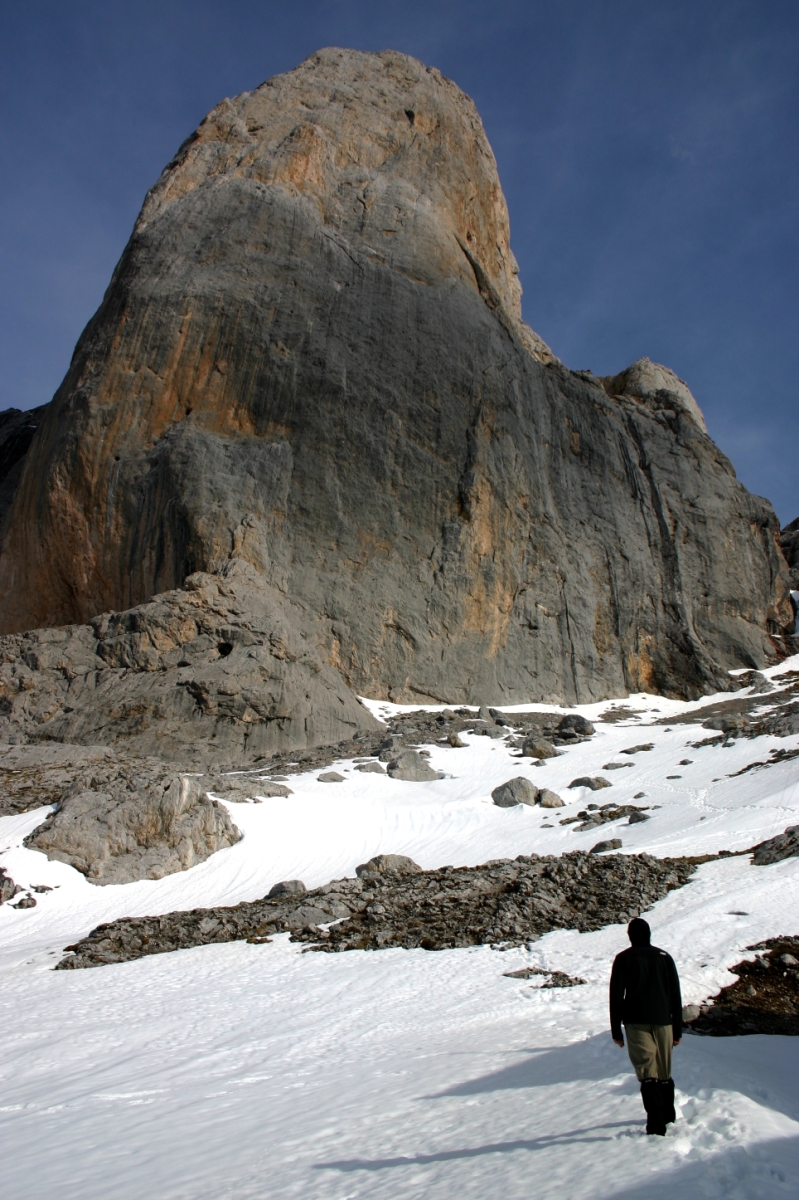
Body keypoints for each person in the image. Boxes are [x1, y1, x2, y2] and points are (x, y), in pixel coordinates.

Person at [609, 917, 683, 1136]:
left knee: (647, 1071)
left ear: (630, 936)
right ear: (649, 934)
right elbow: (675, 996)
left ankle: (656, 1123)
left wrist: (616, 1031)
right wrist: (677, 1030)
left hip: (635, 1022)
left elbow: (616, 997)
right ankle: (668, 1116)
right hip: (663, 1022)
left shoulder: (623, 959)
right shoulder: (664, 957)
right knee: (663, 1072)